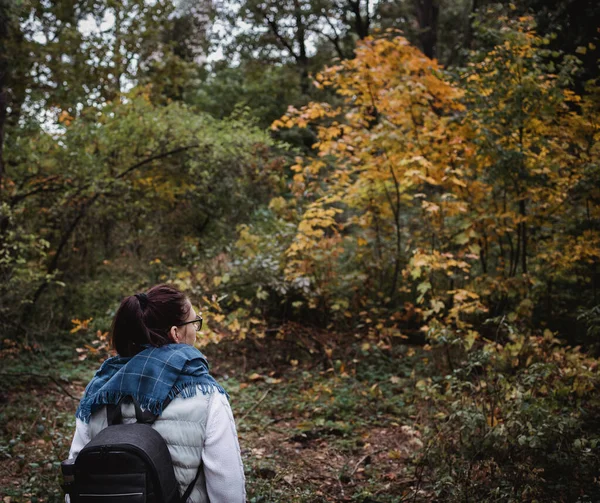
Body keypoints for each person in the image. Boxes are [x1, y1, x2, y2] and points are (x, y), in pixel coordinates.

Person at [67, 284, 246, 503]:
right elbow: (228, 492)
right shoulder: (206, 395)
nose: (196, 332)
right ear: (175, 333)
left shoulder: (100, 391)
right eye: (194, 323)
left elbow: (75, 481)